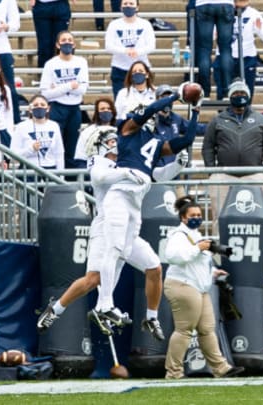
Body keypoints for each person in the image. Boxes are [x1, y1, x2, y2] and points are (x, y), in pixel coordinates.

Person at [36, 126, 190, 340]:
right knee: (92, 280)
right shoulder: (99, 162)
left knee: (154, 267)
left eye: (114, 139)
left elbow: (158, 175)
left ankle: (151, 317)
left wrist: (178, 164)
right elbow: (100, 178)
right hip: (106, 224)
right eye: (109, 141)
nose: (115, 143)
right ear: (98, 146)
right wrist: (126, 172)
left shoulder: (130, 157)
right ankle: (58, 309)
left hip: (127, 226)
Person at [90, 85, 202, 333]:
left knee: (128, 254)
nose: (150, 117)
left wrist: (195, 111)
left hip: (136, 202)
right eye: (146, 114)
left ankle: (112, 307)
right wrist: (177, 95)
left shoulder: (155, 144)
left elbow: (186, 140)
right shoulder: (127, 130)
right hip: (120, 196)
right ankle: (104, 304)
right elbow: (149, 109)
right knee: (115, 248)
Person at [163, 196, 245, 379]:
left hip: (200, 288)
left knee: (207, 329)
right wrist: (198, 248)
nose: (197, 218)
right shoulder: (178, 235)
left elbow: (197, 266)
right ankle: (173, 372)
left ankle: (221, 368)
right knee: (184, 329)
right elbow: (173, 257)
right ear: (183, 217)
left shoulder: (197, 235)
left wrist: (213, 274)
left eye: (199, 214)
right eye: (193, 215)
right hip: (182, 285)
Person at [203, 79, 263, 230]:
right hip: (224, 174)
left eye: (242, 93)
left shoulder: (261, 119)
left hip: (254, 174)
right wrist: (212, 171)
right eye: (235, 93)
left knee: (260, 214)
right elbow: (208, 147)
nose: (239, 95)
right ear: (230, 96)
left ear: (248, 95)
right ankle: (218, 246)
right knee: (219, 215)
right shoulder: (218, 120)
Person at [40, 30, 89, 168]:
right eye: (63, 40)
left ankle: (70, 179)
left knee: (72, 146)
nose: (67, 43)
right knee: (56, 144)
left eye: (70, 40)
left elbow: (82, 89)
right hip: (57, 108)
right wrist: (69, 85)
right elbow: (46, 93)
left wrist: (58, 88)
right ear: (57, 44)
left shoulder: (81, 62)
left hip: (75, 108)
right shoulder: (51, 64)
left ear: (74, 44)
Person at [214, 0, 263, 100]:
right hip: (225, 56)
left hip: (247, 57)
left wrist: (259, 30)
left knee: (246, 95)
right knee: (223, 96)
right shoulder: (221, 11)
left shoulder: (253, 14)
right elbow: (211, 35)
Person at [104, 0, 156, 98]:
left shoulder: (145, 24)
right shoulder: (114, 24)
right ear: (121, 7)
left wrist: (138, 52)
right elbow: (108, 46)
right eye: (125, 4)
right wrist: (125, 51)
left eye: (131, 4)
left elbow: (151, 46)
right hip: (119, 69)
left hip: (141, 69)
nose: (128, 6)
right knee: (121, 100)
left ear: (137, 7)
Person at [152, 84, 206, 168]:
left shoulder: (176, 119)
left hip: (173, 168)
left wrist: (216, 126)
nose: (167, 100)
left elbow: (196, 129)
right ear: (157, 99)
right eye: (163, 97)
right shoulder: (151, 119)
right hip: (157, 168)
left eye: (169, 97)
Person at [10, 94, 65, 171]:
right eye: (35, 105)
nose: (39, 107)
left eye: (42, 105)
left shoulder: (54, 125)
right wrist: (31, 149)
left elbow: (59, 152)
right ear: (30, 109)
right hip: (28, 169)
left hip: (51, 168)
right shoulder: (21, 127)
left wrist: (61, 174)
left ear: (48, 108)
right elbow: (13, 154)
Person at [195, 0, 234, 99]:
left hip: (203, 3)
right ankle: (227, 91)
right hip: (226, 3)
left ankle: (205, 92)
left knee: (204, 50)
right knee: (225, 49)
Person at [73, 97, 118, 166]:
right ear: (97, 112)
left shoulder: (120, 130)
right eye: (102, 109)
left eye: (109, 109)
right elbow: (80, 158)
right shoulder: (88, 131)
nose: (106, 111)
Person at [30, 0, 72, 68]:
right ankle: (43, 74)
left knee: (60, 43)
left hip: (61, 4)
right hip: (42, 5)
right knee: (44, 45)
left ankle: (60, 73)